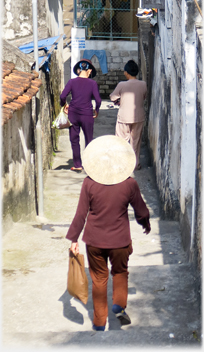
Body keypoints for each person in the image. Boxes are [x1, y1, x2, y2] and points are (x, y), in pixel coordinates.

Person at [66, 135, 151, 331]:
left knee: (98, 279)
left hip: (94, 241)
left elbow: (81, 214)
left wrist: (73, 239)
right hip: (120, 241)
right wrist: (144, 222)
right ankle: (119, 305)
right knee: (120, 272)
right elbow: (142, 210)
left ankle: (99, 322)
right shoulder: (129, 184)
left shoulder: (89, 183)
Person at [60, 59, 101, 171]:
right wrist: (96, 110)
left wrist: (64, 105)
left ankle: (78, 165)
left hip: (73, 114)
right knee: (89, 139)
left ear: (79, 70)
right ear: (89, 71)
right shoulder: (93, 83)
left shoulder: (72, 82)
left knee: (74, 139)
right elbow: (98, 100)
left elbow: (62, 96)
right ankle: (89, 164)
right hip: (87, 115)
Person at [110, 60, 147, 170]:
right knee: (136, 141)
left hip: (124, 117)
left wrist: (120, 100)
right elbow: (144, 97)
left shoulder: (122, 84)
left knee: (121, 140)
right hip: (139, 116)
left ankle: (122, 163)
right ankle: (135, 164)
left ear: (126, 72)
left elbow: (113, 97)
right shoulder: (143, 84)